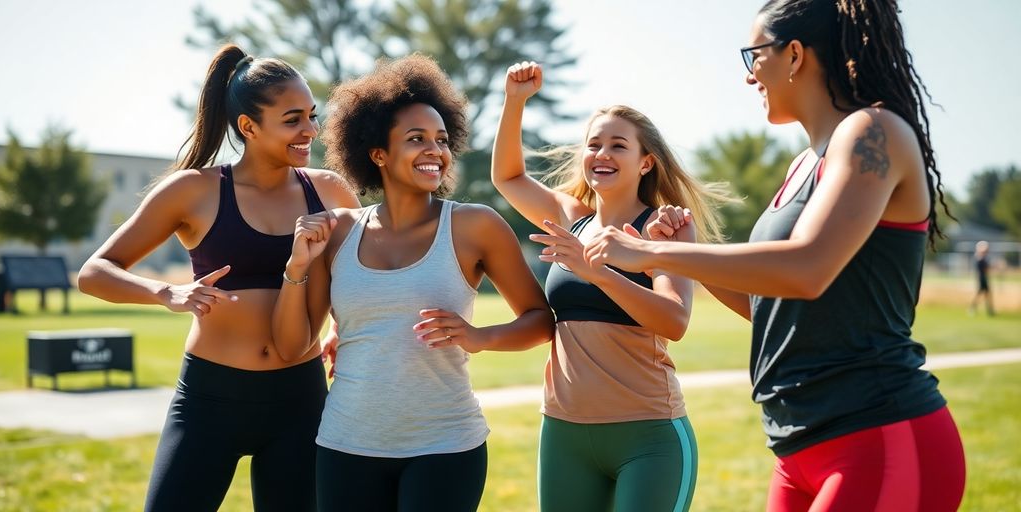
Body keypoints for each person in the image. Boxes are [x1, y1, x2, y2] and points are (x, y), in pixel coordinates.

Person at [583, 0, 967, 510]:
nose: (748, 77)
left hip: (878, 434)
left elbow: (807, 269)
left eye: (753, 55)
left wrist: (647, 250)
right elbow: (769, 304)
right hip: (797, 446)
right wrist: (680, 252)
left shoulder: (873, 131)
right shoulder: (803, 163)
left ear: (793, 55)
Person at [77, 44, 360, 511]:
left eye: (311, 115)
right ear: (248, 126)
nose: (310, 130)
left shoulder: (328, 190)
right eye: (292, 119)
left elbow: (354, 273)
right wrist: (167, 292)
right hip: (211, 400)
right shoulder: (194, 190)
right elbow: (95, 272)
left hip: (300, 399)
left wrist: (335, 329)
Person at [271, 54, 556, 512]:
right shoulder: (338, 230)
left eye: (442, 140)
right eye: (416, 138)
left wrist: (479, 338)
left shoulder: (474, 227)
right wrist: (296, 268)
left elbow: (541, 320)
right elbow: (291, 346)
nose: (435, 151)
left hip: (445, 445)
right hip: (346, 445)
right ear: (378, 153)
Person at [491, 61, 732, 511]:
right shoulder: (570, 218)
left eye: (617, 145)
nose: (602, 153)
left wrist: (598, 271)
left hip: (648, 436)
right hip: (563, 434)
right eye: (594, 144)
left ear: (645, 162)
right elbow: (507, 177)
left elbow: (675, 319)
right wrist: (515, 102)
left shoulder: (665, 229)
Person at [969, 240, 994, 316]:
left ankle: (989, 310)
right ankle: (972, 308)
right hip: (982, 278)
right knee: (981, 294)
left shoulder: (982, 258)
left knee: (986, 294)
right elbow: (985, 269)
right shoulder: (980, 259)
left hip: (984, 278)